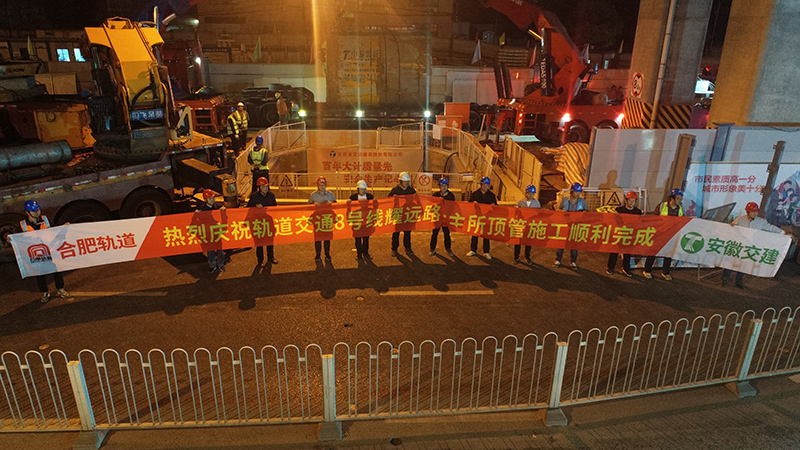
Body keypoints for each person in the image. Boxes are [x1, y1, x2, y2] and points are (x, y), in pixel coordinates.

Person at [722, 202, 787, 289]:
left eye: (756, 212)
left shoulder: (760, 222)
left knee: (744, 265)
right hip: (739, 246)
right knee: (731, 263)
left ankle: (739, 281)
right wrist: (731, 226)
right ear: (747, 211)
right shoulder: (740, 219)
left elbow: (770, 227)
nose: (755, 214)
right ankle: (724, 278)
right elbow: (733, 227)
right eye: (752, 212)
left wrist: (783, 233)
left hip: (750, 247)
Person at [18, 201, 68, 303]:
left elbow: (54, 230)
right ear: (27, 212)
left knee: (56, 271)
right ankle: (45, 292)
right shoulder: (23, 225)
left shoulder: (45, 220)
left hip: (49, 251)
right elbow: (18, 238)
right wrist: (9, 239)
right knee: (40, 274)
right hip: (36, 254)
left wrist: (63, 227)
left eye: (38, 210)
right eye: (34, 211)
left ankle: (60, 289)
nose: (37, 212)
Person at [644, 188, 684, 280]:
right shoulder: (661, 206)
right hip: (660, 233)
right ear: (672, 198)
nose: (680, 201)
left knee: (668, 254)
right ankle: (647, 270)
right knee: (653, 252)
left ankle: (665, 272)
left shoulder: (680, 208)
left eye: (680, 198)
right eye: (678, 198)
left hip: (671, 234)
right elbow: (654, 219)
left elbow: (683, 220)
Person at [607, 191, 642, 277]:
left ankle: (626, 268)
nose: (631, 202)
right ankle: (610, 267)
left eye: (633, 201)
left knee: (627, 252)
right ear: (626, 200)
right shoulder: (619, 210)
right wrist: (614, 215)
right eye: (630, 200)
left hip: (629, 235)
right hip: (619, 234)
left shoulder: (637, 212)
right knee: (614, 251)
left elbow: (640, 223)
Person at [555, 182, 587, 270]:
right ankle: (558, 260)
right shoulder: (565, 200)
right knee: (561, 243)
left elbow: (586, 213)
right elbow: (558, 209)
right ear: (571, 192)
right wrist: (562, 211)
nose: (578, 194)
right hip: (565, 225)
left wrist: (584, 213)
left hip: (575, 226)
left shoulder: (583, 202)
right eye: (576, 192)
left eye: (579, 192)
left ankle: (573, 261)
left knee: (574, 245)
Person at [247, 177, 278, 265]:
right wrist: (255, 206)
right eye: (263, 187)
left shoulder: (271, 195)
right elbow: (248, 207)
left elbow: (275, 207)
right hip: (258, 222)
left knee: (270, 241)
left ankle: (271, 258)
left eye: (266, 186)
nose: (265, 188)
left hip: (268, 221)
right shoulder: (254, 196)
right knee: (259, 242)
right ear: (259, 187)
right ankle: (260, 260)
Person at [196, 190, 227, 273]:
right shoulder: (202, 209)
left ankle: (221, 264)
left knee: (220, 249)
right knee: (210, 250)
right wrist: (197, 214)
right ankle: (212, 265)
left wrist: (223, 209)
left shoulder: (217, 206)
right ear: (205, 200)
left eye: (213, 198)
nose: (212, 200)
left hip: (216, 232)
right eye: (210, 198)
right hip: (208, 233)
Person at [467, 176, 498, 259]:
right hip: (477, 217)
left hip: (487, 218)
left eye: (486, 185)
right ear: (481, 185)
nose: (485, 187)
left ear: (489, 186)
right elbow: (469, 203)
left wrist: (494, 206)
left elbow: (496, 207)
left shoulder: (491, 196)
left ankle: (486, 251)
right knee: (475, 233)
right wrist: (473, 203)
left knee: (486, 235)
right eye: (483, 185)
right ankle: (473, 250)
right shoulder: (475, 194)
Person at [309, 176, 336, 261]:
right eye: (320, 185)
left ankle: (327, 254)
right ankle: (318, 255)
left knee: (327, 238)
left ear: (326, 185)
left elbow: (336, 205)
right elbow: (308, 207)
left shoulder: (330, 194)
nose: (322, 187)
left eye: (323, 185)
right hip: (317, 219)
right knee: (318, 238)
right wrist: (314, 204)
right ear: (317, 185)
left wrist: (331, 203)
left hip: (327, 219)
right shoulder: (313, 195)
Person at [389, 172, 416, 257]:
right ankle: (394, 249)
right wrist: (393, 197)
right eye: (405, 181)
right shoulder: (395, 190)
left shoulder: (411, 190)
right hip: (398, 213)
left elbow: (417, 201)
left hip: (407, 213)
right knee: (396, 232)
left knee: (407, 232)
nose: (407, 183)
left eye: (407, 181)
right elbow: (388, 200)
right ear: (400, 181)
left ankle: (408, 248)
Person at [348, 180, 374, 260]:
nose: (363, 191)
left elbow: (374, 207)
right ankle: (359, 254)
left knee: (366, 238)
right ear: (358, 189)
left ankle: (366, 253)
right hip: (357, 222)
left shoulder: (370, 197)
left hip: (366, 222)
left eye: (364, 189)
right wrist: (349, 203)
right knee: (357, 239)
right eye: (361, 189)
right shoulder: (353, 197)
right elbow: (349, 209)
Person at [514, 184, 540, 265]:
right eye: (529, 193)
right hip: (521, 225)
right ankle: (516, 257)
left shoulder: (536, 203)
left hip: (530, 225)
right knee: (518, 242)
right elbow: (516, 214)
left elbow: (539, 214)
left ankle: (527, 257)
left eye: (532, 194)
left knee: (528, 242)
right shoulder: (521, 202)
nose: (530, 195)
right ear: (526, 193)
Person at [430, 178, 455, 257]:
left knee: (447, 234)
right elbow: (431, 205)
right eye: (441, 185)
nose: (443, 187)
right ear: (439, 186)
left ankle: (448, 248)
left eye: (445, 185)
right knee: (434, 233)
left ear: (447, 186)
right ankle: (432, 248)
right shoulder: (435, 195)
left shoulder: (451, 196)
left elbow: (453, 207)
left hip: (446, 219)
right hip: (437, 218)